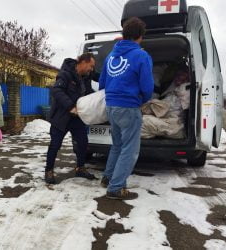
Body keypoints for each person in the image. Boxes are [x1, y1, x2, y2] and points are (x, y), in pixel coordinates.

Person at [98, 17, 154, 199]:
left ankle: (107, 177)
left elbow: (102, 83)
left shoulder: (111, 56)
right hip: (129, 107)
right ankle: (116, 188)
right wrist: (143, 100)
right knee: (129, 150)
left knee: (117, 145)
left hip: (111, 106)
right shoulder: (141, 56)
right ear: (139, 37)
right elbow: (147, 86)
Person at [44, 53, 97, 184]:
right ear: (83, 62)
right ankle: (48, 170)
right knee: (55, 145)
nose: (91, 69)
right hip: (61, 117)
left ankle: (80, 168)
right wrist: (70, 106)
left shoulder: (85, 78)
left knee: (83, 143)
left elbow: (88, 93)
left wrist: (99, 98)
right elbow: (56, 91)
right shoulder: (65, 74)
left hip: (76, 118)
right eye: (90, 66)